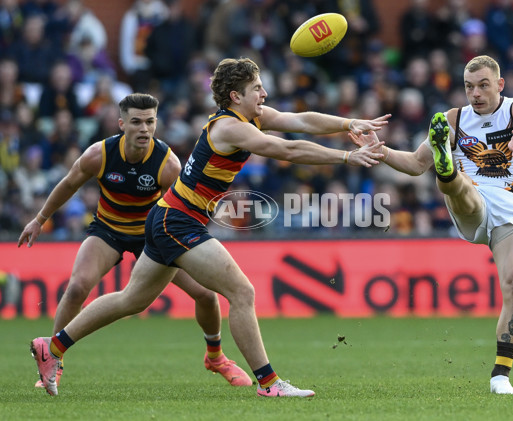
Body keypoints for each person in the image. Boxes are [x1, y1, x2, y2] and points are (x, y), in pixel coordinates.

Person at [29, 57, 390, 397]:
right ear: (236, 96)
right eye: (257, 89)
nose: (264, 95)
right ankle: (269, 382)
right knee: (242, 292)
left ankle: (53, 347)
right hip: (178, 221)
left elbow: (302, 121)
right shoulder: (232, 128)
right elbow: (288, 151)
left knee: (131, 300)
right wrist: (346, 156)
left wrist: (348, 125)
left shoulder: (251, 118)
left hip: (167, 216)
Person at [19, 93, 253, 389]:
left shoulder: (167, 164)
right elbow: (68, 184)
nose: (144, 129)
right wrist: (39, 220)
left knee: (206, 295)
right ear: (122, 124)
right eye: (137, 122)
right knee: (77, 287)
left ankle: (216, 357)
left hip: (153, 236)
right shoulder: (99, 154)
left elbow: (185, 208)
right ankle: (54, 359)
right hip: (108, 230)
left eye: (150, 122)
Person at [351, 55, 513, 394]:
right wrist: (381, 150)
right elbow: (414, 164)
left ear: (500, 84)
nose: (475, 93)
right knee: (457, 182)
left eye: (483, 85)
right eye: (469, 86)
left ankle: (500, 377)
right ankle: (447, 168)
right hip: (474, 200)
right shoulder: (453, 118)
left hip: (512, 208)